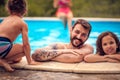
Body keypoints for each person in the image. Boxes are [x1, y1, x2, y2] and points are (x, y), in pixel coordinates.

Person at [0, 0, 38, 72]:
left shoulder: (5, 20)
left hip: (2, 45)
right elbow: (26, 45)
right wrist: (30, 61)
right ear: (24, 10)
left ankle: (2, 60)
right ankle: (2, 61)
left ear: (8, 9)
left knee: (18, 59)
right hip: (3, 46)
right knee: (23, 49)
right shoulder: (22, 23)